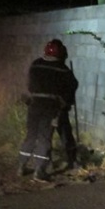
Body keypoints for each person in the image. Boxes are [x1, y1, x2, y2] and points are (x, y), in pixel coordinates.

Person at [18, 39, 79, 182]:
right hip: (51, 108)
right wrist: (66, 103)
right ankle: (39, 170)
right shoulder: (63, 70)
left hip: (34, 105)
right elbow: (72, 86)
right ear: (61, 53)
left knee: (31, 135)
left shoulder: (36, 64)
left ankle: (21, 166)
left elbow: (29, 85)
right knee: (45, 138)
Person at [52, 40, 79, 169]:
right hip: (58, 107)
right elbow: (73, 84)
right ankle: (71, 160)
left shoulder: (45, 67)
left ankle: (45, 162)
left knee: (48, 136)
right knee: (65, 134)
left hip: (50, 107)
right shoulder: (62, 69)